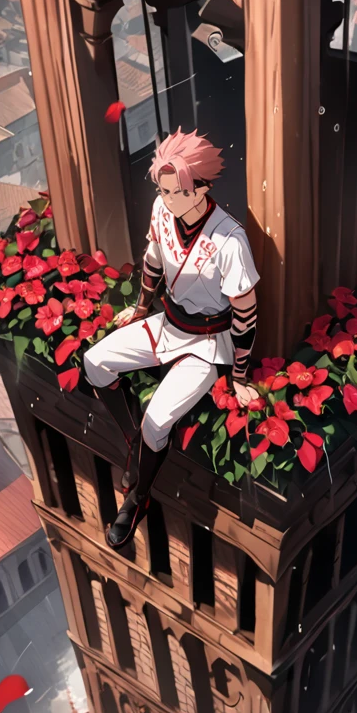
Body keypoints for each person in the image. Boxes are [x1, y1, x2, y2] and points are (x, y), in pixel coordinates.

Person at [84, 128, 259, 550]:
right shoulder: (162, 212)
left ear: (201, 187)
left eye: (176, 191)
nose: (167, 200)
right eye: (162, 191)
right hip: (167, 322)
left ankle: (138, 497)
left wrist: (238, 376)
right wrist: (141, 308)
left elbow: (246, 314)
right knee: (94, 363)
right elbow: (153, 261)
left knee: (157, 422)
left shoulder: (230, 239)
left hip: (207, 344)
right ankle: (133, 444)